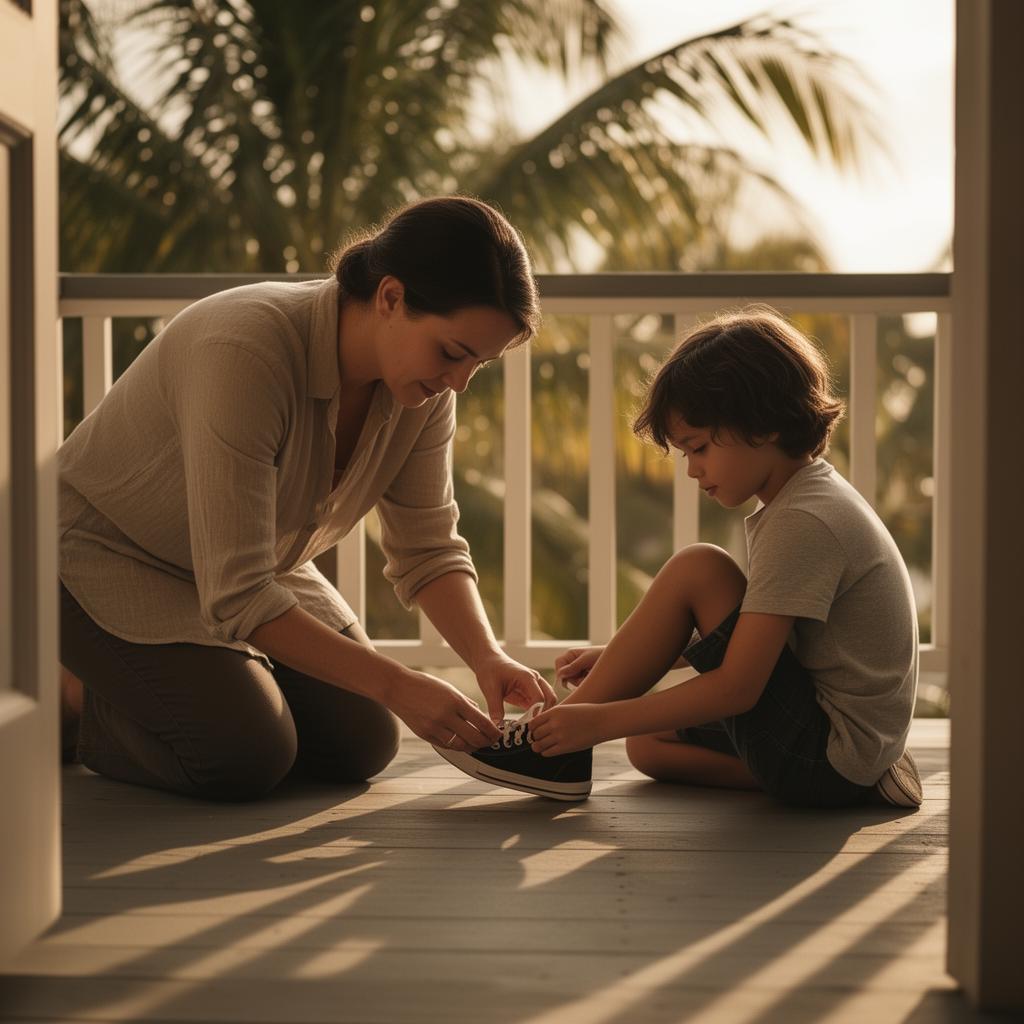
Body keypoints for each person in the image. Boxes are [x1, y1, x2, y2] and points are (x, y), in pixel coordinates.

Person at [59, 195, 556, 800]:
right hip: (98, 555)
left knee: (362, 743)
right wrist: (399, 684)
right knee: (244, 753)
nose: (458, 382)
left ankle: (203, 684)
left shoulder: (423, 393)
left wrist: (487, 657)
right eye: (453, 353)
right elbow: (238, 592)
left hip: (247, 567)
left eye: (479, 364)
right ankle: (69, 693)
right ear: (391, 297)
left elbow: (428, 547)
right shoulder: (246, 350)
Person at [435, 307, 922, 809]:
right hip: (843, 753)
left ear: (765, 423)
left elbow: (738, 687)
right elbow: (759, 642)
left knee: (700, 568)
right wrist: (625, 660)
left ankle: (545, 747)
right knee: (648, 744)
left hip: (828, 751)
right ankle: (855, 785)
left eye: (700, 447)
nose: (692, 470)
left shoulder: (803, 521)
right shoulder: (809, 496)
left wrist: (596, 720)